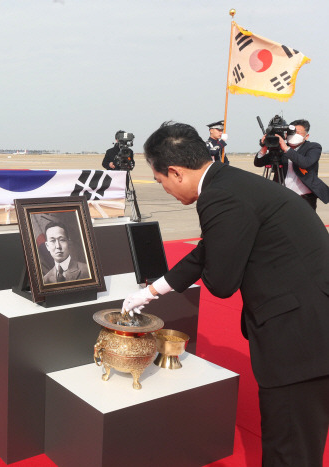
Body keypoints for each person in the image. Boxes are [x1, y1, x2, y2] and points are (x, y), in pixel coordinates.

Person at [123, 121, 329, 467]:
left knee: (289, 450)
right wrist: (155, 289)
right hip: (313, 321)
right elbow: (210, 249)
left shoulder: (219, 196)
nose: (166, 192)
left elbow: (221, 282)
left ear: (175, 172)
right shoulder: (235, 182)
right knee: (300, 441)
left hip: (299, 338)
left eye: (161, 183)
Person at [254, 118, 329, 211]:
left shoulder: (313, 147)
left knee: (303, 224)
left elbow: (305, 163)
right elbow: (258, 163)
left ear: (306, 136)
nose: (295, 135)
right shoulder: (280, 148)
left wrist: (286, 149)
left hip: (305, 199)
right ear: (286, 134)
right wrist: (264, 148)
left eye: (299, 133)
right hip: (283, 197)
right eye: (292, 133)